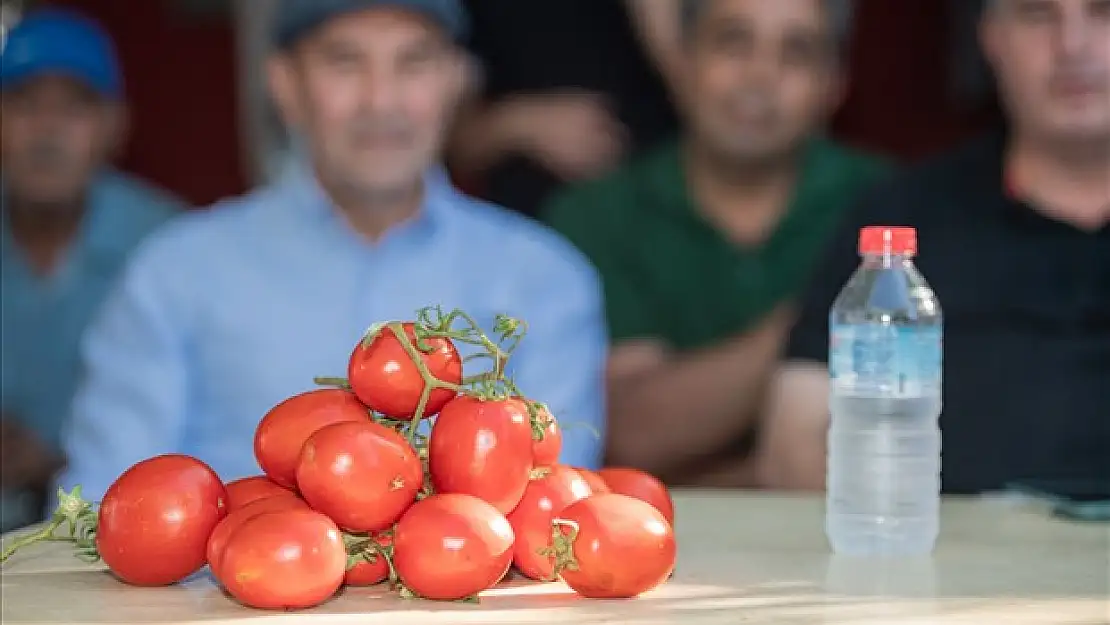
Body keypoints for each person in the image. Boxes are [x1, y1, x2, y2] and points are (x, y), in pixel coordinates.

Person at [53, 0, 606, 502]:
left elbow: (547, 509)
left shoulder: (544, 277)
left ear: (455, 81)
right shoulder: (174, 273)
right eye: (345, 62)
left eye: (413, 63)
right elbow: (102, 504)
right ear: (285, 84)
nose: (382, 100)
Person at [764, 0, 1110, 493]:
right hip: (936, 559)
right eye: (1037, 15)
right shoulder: (901, 221)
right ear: (991, 38)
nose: (1072, 46)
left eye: (1102, 13)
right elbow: (791, 438)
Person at [544, 0, 888, 486]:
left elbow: (905, 445)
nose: (760, 76)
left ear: (835, 84)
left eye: (796, 52)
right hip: (653, 546)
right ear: (681, 61)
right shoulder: (597, 214)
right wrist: (821, 320)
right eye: (733, 41)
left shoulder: (894, 205)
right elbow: (634, 435)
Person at [1, 9, 182, 529]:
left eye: (74, 107)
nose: (47, 131)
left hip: (125, 533)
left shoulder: (168, 246)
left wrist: (55, 459)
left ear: (114, 126)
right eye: (24, 103)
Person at [447, 0, 686, 218]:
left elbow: (699, 79)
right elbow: (451, 145)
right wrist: (518, 124)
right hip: (532, 218)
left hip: (664, 198)